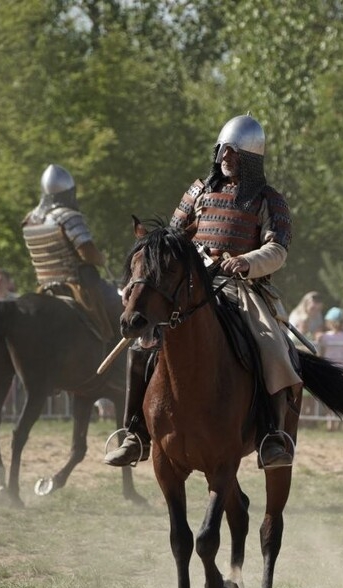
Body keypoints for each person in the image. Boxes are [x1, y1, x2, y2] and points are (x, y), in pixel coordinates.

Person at [105, 114, 301, 469]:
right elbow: (166, 242)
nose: (226, 158)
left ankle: (272, 435)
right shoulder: (198, 191)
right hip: (190, 285)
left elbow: (278, 250)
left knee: (271, 345)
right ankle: (134, 433)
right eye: (223, 151)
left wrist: (246, 261)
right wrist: (141, 285)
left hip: (242, 289)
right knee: (141, 345)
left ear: (251, 159)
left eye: (234, 153)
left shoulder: (269, 199)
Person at [22, 164, 120, 342]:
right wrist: (101, 258)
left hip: (45, 286)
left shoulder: (30, 220)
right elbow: (87, 255)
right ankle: (119, 355)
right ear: (69, 192)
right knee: (120, 302)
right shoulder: (68, 216)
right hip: (77, 283)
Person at [319, 306, 343, 431]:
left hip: (330, 370)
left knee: (330, 397)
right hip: (340, 370)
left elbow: (321, 354)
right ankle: (336, 422)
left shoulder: (325, 337)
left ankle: (331, 422)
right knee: (339, 397)